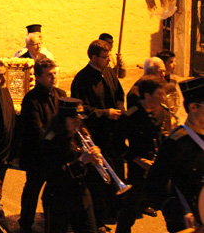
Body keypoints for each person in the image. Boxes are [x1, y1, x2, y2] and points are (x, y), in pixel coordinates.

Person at [71, 39, 125, 231]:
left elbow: (119, 94)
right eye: (105, 57)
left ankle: (114, 210)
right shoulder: (82, 79)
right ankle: (99, 219)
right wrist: (105, 113)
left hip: (113, 134)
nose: (108, 59)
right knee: (97, 181)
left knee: (116, 171)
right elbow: (82, 109)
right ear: (94, 58)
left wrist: (119, 109)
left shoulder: (109, 72)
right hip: (96, 134)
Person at [146, 77, 204, 233]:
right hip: (188, 222)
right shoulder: (176, 143)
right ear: (193, 107)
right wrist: (180, 213)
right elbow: (154, 184)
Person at [112, 76, 167, 233]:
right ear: (147, 96)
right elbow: (116, 144)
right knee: (130, 208)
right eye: (160, 94)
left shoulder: (162, 111)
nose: (164, 98)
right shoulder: (130, 116)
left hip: (159, 166)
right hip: (138, 170)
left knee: (171, 203)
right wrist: (137, 160)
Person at [19, 58, 67, 232]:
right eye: (49, 75)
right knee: (32, 189)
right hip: (37, 156)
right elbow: (37, 130)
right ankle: (26, 223)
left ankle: (53, 221)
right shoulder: (31, 100)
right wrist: (56, 139)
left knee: (55, 192)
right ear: (38, 77)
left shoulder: (61, 94)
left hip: (56, 154)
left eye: (54, 73)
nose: (53, 77)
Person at [41, 97, 100, 233]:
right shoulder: (50, 141)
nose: (78, 123)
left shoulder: (81, 135)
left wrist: (95, 161)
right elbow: (54, 174)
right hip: (58, 199)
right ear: (62, 120)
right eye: (73, 119)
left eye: (79, 119)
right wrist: (81, 162)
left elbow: (87, 171)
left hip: (82, 198)